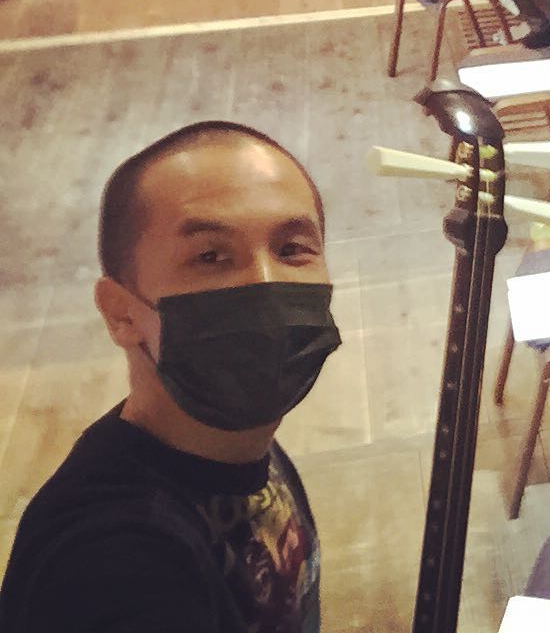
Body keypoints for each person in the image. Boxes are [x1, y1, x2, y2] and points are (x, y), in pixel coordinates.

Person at [0, 122, 341, 633]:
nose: (266, 284)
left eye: (291, 249)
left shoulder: (233, 447)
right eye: (211, 257)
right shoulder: (115, 573)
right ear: (121, 313)